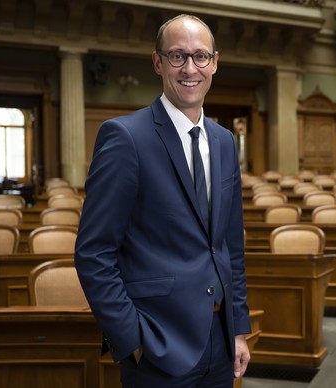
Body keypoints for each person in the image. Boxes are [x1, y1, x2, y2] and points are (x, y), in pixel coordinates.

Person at [74, 14, 251, 387]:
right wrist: (132, 340)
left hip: (219, 340)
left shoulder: (224, 141)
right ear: (157, 62)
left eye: (200, 56)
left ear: (215, 62)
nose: (190, 68)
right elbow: (93, 253)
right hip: (157, 346)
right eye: (177, 56)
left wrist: (237, 329)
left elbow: (230, 245)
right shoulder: (125, 137)